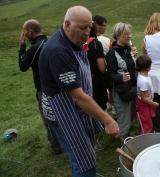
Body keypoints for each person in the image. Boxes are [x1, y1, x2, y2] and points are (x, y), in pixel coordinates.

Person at [38, 6, 119, 177]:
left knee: (86, 153)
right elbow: (77, 96)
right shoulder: (58, 51)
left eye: (89, 27)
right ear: (67, 24)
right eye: (82, 27)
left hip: (76, 108)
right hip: (62, 112)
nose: (87, 32)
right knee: (83, 160)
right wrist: (109, 121)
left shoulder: (72, 40)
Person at [18, 19, 62, 155]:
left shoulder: (35, 47)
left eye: (25, 32)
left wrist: (22, 47)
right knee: (61, 116)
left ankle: (55, 148)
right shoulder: (50, 42)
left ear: (30, 31)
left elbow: (23, 66)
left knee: (48, 119)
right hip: (59, 87)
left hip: (44, 89)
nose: (24, 35)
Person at [105, 22, 137, 143]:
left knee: (128, 115)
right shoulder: (112, 53)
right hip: (121, 91)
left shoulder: (128, 50)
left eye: (130, 33)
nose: (129, 36)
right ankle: (124, 141)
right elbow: (110, 74)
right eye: (126, 34)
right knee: (123, 115)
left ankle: (126, 132)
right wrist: (120, 78)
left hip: (131, 88)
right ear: (118, 35)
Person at [84, 22, 107, 151]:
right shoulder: (95, 44)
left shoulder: (76, 43)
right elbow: (102, 68)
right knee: (96, 108)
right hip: (94, 81)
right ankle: (94, 143)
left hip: (79, 82)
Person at [93, 15, 116, 117]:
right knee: (109, 91)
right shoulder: (106, 41)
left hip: (92, 73)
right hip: (105, 70)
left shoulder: (85, 40)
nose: (105, 27)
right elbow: (111, 54)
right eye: (104, 25)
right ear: (97, 25)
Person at [135, 54, 159, 134]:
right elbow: (143, 98)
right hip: (143, 104)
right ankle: (144, 142)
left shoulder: (142, 75)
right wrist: (154, 104)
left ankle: (141, 134)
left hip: (145, 103)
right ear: (148, 67)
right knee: (148, 125)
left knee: (144, 122)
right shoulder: (143, 81)